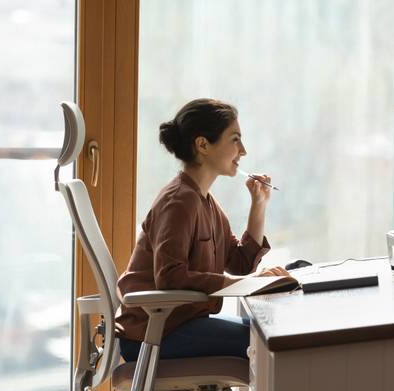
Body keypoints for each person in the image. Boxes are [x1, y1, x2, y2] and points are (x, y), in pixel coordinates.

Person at [115, 98, 287, 361]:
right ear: (203, 144)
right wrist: (248, 283)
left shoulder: (205, 201)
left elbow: (240, 263)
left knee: (267, 331)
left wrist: (259, 205)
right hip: (152, 335)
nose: (243, 151)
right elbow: (170, 278)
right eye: (235, 139)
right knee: (265, 340)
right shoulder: (179, 201)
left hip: (176, 326)